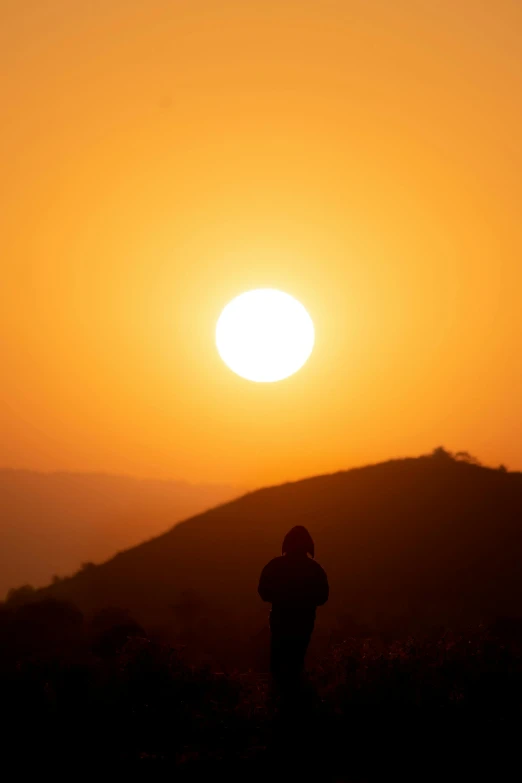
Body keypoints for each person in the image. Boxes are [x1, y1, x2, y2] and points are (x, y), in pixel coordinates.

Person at [258, 526, 329, 688]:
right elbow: (323, 597)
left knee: (278, 660)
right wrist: (304, 600)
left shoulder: (274, 566)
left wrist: (282, 598)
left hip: (280, 621)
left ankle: (278, 698)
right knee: (297, 660)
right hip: (303, 622)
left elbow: (263, 592)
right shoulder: (314, 569)